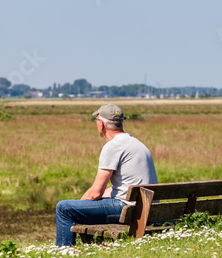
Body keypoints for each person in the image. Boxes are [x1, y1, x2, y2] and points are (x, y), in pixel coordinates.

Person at [55, 104, 158, 246]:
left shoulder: (113, 146)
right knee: (73, 207)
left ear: (101, 124)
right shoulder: (137, 143)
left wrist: (80, 205)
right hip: (146, 207)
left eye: (97, 120)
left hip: (128, 210)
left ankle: (63, 253)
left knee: (64, 208)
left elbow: (95, 193)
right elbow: (121, 186)